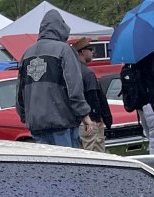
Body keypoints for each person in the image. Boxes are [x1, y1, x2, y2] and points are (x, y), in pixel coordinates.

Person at [14, 10, 94, 148]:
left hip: (36, 125)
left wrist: (24, 115)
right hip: (62, 123)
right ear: (61, 28)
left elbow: (20, 91)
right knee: (67, 160)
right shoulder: (64, 50)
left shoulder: (27, 54)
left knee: (45, 161)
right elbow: (74, 87)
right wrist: (84, 114)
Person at [72, 37, 112, 152]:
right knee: (96, 152)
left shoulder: (72, 71)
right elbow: (93, 98)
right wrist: (97, 119)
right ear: (82, 52)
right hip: (90, 121)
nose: (92, 52)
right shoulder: (88, 74)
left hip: (77, 120)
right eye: (90, 49)